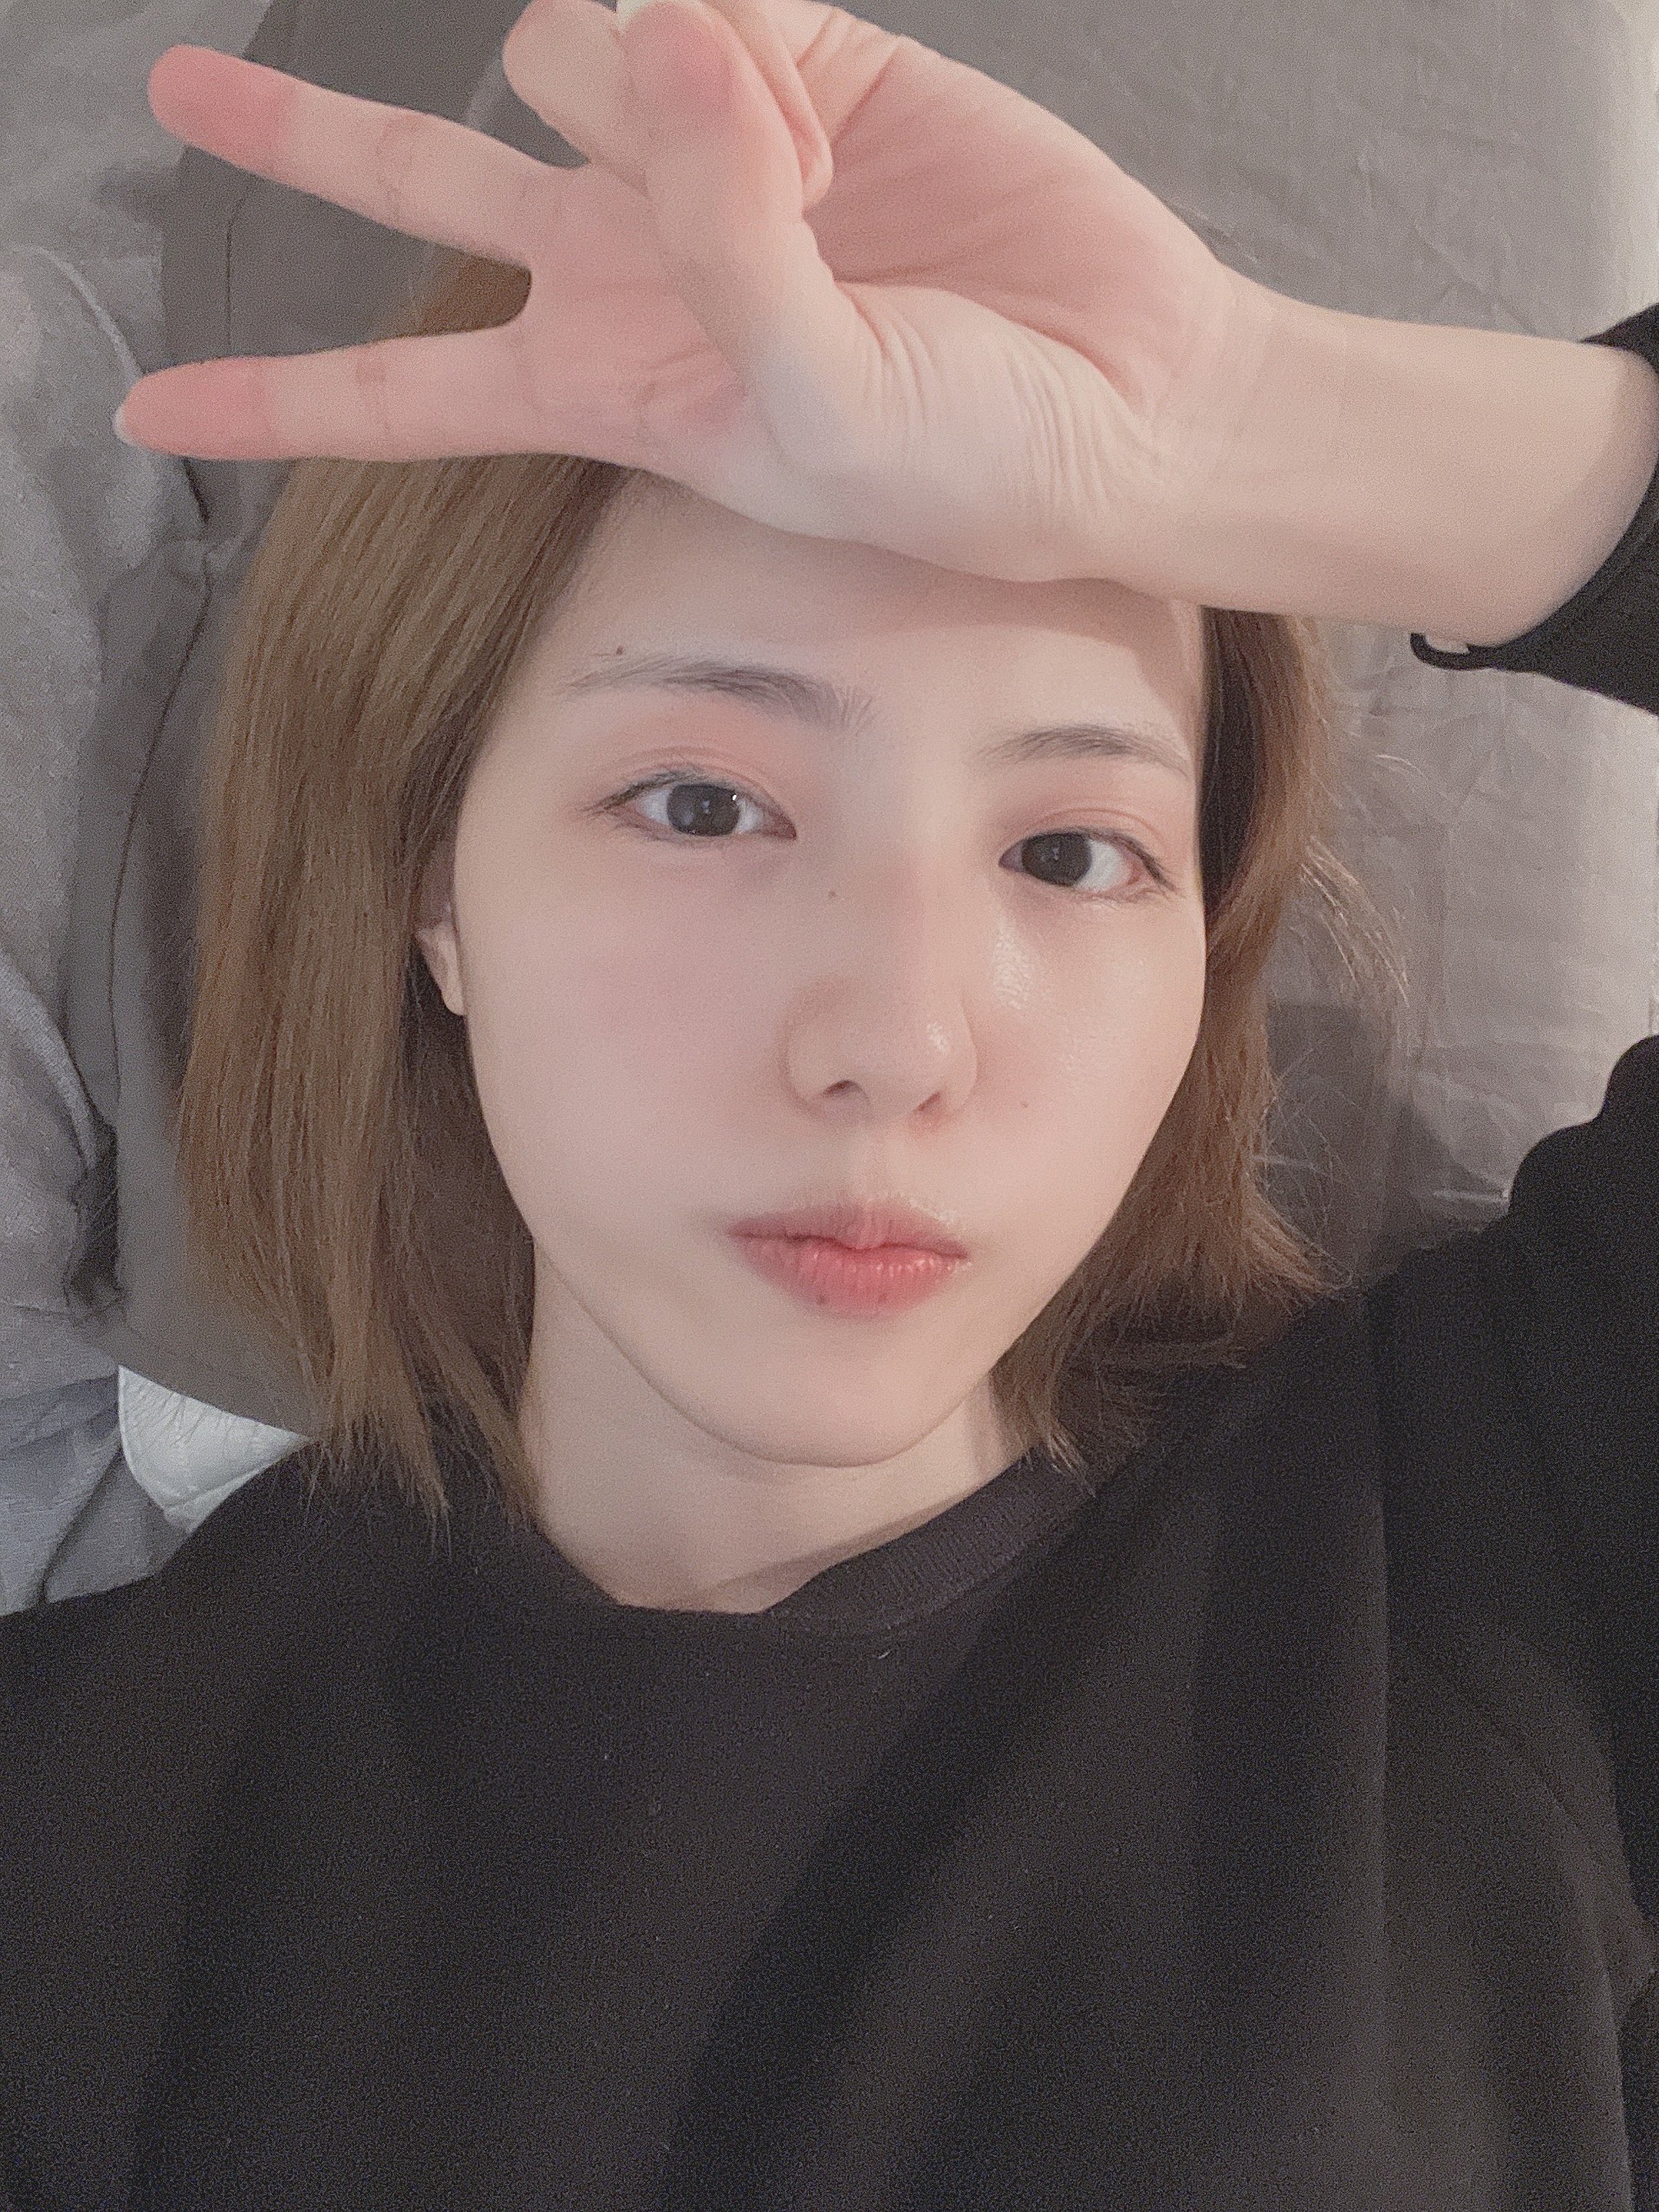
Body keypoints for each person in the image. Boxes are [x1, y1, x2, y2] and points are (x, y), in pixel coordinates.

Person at [3, 0, 1657, 2203]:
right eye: (702, 803)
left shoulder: (1511, 1527)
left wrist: (1249, 418)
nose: (896, 1039)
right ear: (433, 890)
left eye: (1071, 850)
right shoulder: (69, 1830)